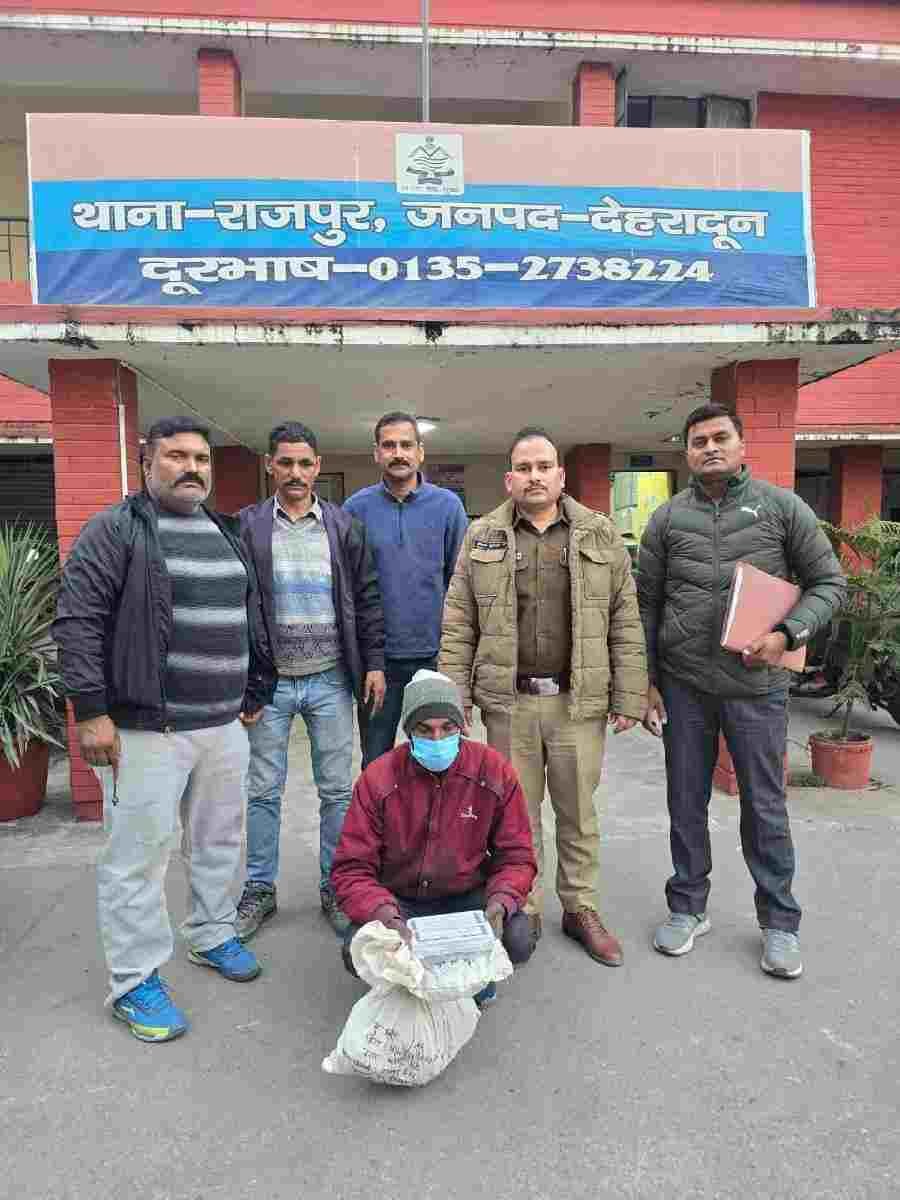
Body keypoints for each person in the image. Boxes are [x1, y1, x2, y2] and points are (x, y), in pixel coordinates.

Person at [52, 416, 276, 1043]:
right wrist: (90, 710)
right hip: (147, 728)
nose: (191, 468)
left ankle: (210, 933)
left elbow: (248, 613)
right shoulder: (117, 529)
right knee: (138, 856)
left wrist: (254, 687)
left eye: (201, 458)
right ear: (147, 461)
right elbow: (78, 619)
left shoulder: (225, 531)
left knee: (218, 841)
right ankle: (134, 981)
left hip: (222, 725)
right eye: (176, 456)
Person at [636, 403, 846, 979]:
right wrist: (648, 682)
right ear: (686, 452)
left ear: (742, 444)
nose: (710, 447)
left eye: (720, 437)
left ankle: (780, 922)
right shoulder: (667, 520)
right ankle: (688, 907)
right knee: (685, 800)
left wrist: (787, 635)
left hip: (758, 687)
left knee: (764, 803)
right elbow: (647, 604)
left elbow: (829, 583)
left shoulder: (782, 508)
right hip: (685, 687)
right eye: (698, 440)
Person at [440, 427, 647, 966]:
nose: (535, 477)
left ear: (560, 475)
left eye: (544, 467)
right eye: (524, 468)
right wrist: (454, 697)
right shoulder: (482, 536)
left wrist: (629, 694)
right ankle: (523, 905)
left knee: (577, 811)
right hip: (508, 704)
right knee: (515, 814)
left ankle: (580, 907)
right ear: (509, 478)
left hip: (577, 703)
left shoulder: (599, 534)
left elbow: (625, 616)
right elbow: (459, 620)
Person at [234, 421, 385, 942]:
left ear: (317, 467)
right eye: (286, 463)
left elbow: (367, 599)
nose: (295, 473)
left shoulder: (343, 527)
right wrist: (245, 680)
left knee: (338, 791)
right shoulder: (248, 526)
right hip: (270, 683)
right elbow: (237, 606)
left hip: (330, 680)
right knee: (263, 790)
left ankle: (334, 887)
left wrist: (374, 663)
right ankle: (259, 888)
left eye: (305, 463)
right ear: (270, 466)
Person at [330, 670, 537, 1007]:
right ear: (408, 731)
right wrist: (385, 915)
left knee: (519, 938)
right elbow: (351, 868)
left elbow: (517, 856)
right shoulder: (378, 779)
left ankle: (469, 978)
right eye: (424, 730)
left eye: (447, 728)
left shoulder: (493, 771)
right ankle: (412, 979)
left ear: (462, 727)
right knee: (355, 948)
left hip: (467, 899)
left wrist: (500, 901)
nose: (437, 739)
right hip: (400, 901)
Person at [344, 411, 468, 767]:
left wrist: (456, 658)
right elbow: (350, 589)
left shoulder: (448, 507)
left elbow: (461, 585)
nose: (398, 453)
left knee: (438, 757)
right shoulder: (355, 509)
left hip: (435, 658)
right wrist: (366, 658)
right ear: (376, 453)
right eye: (389, 445)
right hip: (377, 662)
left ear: (420, 452)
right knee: (376, 761)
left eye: (406, 445)